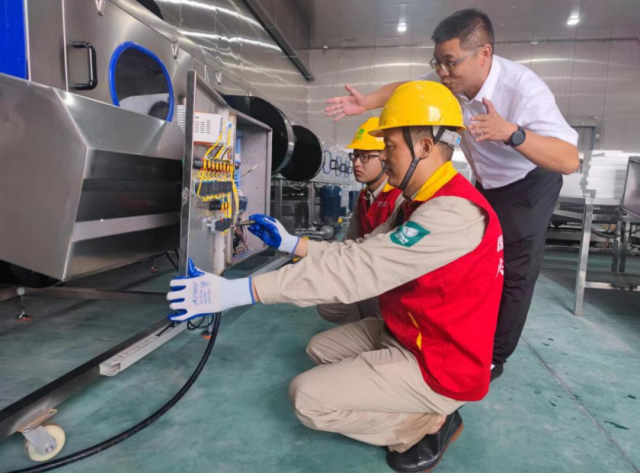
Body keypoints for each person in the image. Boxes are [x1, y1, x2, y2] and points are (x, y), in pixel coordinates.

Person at [167, 81, 504, 472]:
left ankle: (426, 424)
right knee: (320, 349)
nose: (383, 156)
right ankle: (395, 390)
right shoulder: (420, 202)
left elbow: (357, 271)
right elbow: (357, 251)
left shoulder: (452, 213)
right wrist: (291, 243)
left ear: (425, 146)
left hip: (439, 361)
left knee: (308, 398)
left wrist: (239, 291)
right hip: (410, 332)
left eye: (389, 146)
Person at [324, 8, 579, 381]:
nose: (442, 72)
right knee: (469, 261)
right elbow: (408, 90)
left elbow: (569, 159)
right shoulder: (448, 80)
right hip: (486, 182)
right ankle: (455, 337)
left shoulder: (524, 89)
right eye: (437, 63)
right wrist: (366, 103)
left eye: (450, 62)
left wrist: (512, 133)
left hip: (529, 182)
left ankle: (492, 358)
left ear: (484, 54)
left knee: (512, 270)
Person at [317, 117, 404, 324]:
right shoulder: (363, 197)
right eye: (355, 156)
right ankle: (364, 324)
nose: (356, 163)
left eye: (365, 157)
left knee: (372, 303)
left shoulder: (399, 197)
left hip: (388, 280)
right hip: (365, 269)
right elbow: (350, 240)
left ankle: (377, 327)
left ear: (385, 158)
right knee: (327, 304)